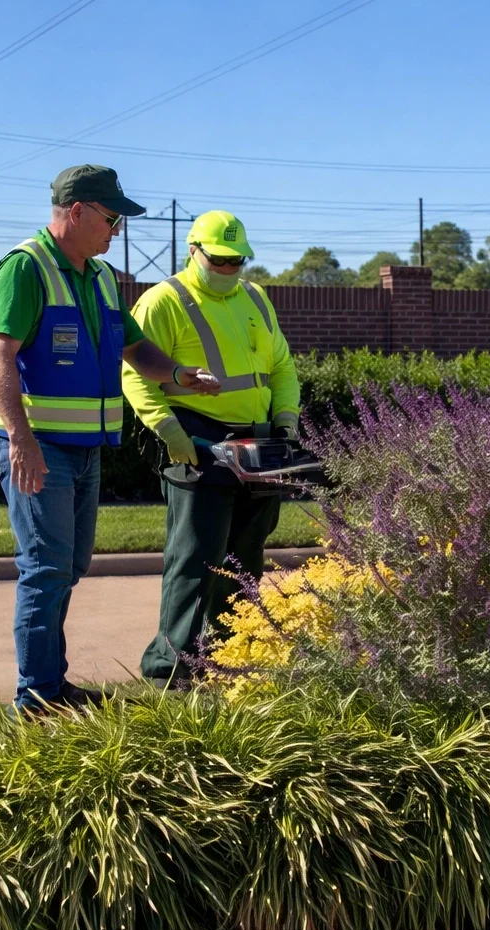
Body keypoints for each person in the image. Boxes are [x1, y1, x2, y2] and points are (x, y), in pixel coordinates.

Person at [0, 165, 219, 713]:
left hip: (85, 446)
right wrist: (21, 440)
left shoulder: (102, 278)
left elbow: (135, 349)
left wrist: (180, 376)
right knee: (45, 566)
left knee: (69, 566)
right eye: (112, 218)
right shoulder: (25, 269)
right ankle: (37, 696)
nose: (118, 230)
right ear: (77, 211)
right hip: (36, 445)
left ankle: (50, 684)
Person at [122, 210, 301, 687]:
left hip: (260, 441)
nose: (227, 268)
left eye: (236, 260)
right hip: (198, 440)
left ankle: (228, 657)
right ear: (193, 251)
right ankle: (171, 670)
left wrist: (285, 422)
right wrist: (171, 434)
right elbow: (135, 375)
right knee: (195, 557)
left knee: (245, 556)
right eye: (218, 259)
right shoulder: (163, 301)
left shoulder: (257, 299)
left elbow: (281, 366)